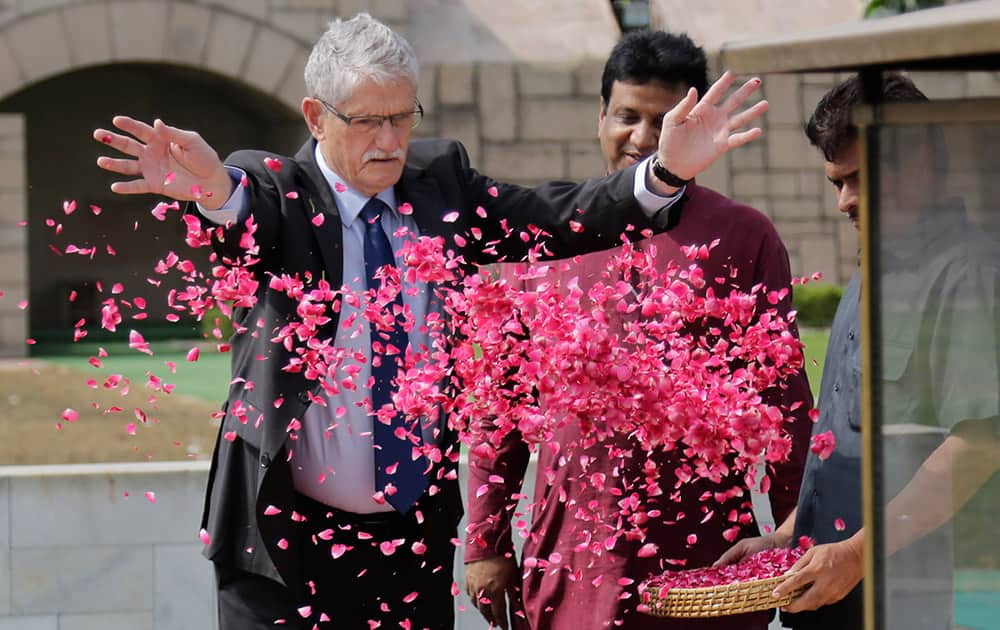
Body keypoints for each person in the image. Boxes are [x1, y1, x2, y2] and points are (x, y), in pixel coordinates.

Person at [92, 13, 768, 630]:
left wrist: (666, 172)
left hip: (408, 545)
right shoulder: (279, 192)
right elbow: (243, 215)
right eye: (365, 121)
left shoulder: (440, 182)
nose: (388, 142)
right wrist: (211, 192)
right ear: (315, 117)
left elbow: (555, 215)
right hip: (283, 547)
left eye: (401, 117)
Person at [463, 30, 815, 630]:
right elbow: (502, 406)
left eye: (666, 120)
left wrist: (795, 536)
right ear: (601, 116)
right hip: (572, 549)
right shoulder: (546, 237)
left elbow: (783, 401)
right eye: (627, 116)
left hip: (705, 550)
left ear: (696, 125)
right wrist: (485, 542)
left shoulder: (744, 237)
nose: (645, 138)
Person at [717, 73, 1000, 630]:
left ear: (916, 164)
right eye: (835, 182)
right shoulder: (874, 270)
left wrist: (856, 552)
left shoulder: (967, 274)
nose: (843, 200)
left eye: (856, 179)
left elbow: (980, 444)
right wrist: (785, 535)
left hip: (907, 602)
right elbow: (845, 449)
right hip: (833, 595)